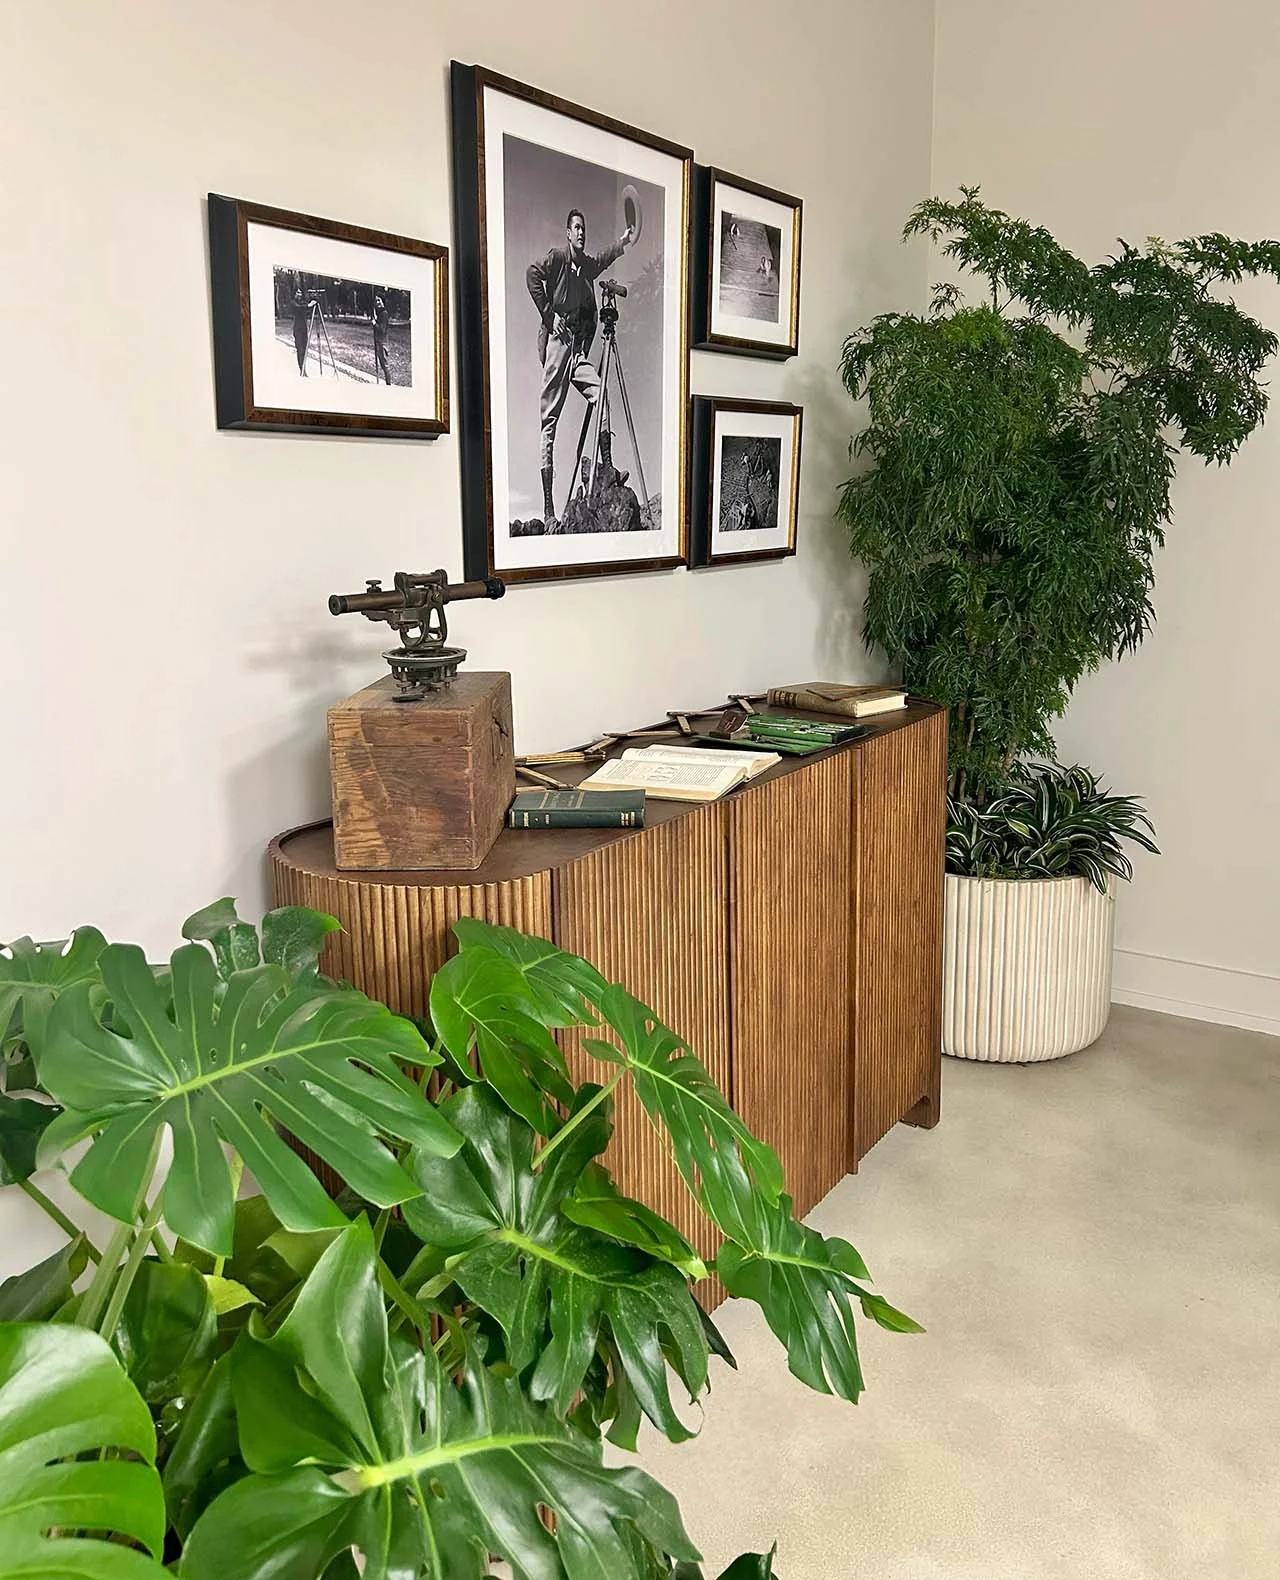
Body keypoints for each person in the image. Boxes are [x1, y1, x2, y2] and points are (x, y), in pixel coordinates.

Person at [526, 208, 634, 527]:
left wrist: (624, 241)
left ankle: (609, 467)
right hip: (558, 346)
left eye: (584, 228)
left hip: (577, 351)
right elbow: (532, 275)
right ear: (568, 233)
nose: (581, 233)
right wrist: (549, 315)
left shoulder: (586, 266)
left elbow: (603, 257)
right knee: (550, 422)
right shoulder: (558, 257)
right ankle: (548, 508)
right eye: (576, 228)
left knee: (601, 395)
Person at [372, 294, 391, 385]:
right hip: (379, 342)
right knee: (383, 365)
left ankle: (389, 385)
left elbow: (382, 330)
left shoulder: (384, 313)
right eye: (376, 300)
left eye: (379, 300)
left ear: (383, 301)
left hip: (382, 342)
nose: (377, 302)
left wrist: (375, 324)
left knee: (385, 365)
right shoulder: (380, 313)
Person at [291, 288, 310, 376]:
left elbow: (305, 307)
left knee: (305, 349)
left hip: (304, 329)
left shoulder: (302, 302)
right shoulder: (293, 303)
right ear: (294, 294)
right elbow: (298, 308)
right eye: (298, 293)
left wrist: (310, 305)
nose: (300, 294)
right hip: (297, 330)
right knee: (300, 349)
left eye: (301, 293)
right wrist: (308, 306)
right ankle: (302, 369)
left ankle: (304, 368)